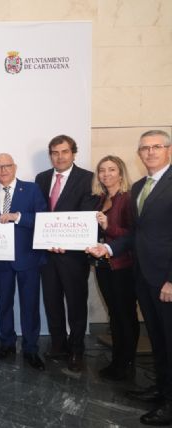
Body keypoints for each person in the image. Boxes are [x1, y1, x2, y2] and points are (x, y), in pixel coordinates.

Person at [88, 130, 172, 426]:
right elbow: (136, 233)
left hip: (166, 279)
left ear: (168, 150)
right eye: (144, 148)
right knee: (158, 338)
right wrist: (108, 248)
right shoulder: (139, 187)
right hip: (143, 275)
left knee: (170, 339)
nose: (150, 152)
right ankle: (161, 388)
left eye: (156, 147)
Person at [35, 135, 96, 372]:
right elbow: (39, 212)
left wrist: (64, 240)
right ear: (50, 155)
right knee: (51, 301)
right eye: (55, 152)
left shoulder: (88, 178)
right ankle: (58, 344)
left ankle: (77, 349)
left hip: (73, 256)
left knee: (76, 303)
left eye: (64, 152)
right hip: (47, 254)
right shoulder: (41, 178)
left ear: (73, 153)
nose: (59, 157)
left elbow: (87, 214)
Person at [0, 153, 46, 371]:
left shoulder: (32, 189)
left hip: (28, 258)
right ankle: (6, 344)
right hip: (1, 261)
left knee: (30, 306)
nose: (3, 170)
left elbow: (42, 219)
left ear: (15, 167)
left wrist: (17, 216)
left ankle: (31, 349)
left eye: (7, 165)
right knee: (4, 305)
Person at [88, 155, 138, 381]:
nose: (106, 174)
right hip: (103, 265)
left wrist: (109, 226)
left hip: (122, 266)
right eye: (102, 170)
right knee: (115, 314)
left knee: (125, 315)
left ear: (121, 173)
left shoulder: (127, 198)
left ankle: (126, 363)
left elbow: (134, 234)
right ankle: (118, 361)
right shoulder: (101, 199)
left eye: (111, 169)